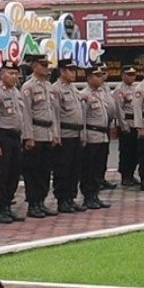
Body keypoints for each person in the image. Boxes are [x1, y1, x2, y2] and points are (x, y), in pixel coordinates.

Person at [0, 60, 30, 223]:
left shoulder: (16, 92)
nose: (14, 76)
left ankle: (8, 206)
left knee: (13, 174)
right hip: (2, 136)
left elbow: (21, 117)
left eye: (15, 73)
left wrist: (24, 136)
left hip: (15, 137)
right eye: (10, 73)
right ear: (2, 75)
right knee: (1, 175)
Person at [21, 56, 59, 218]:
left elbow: (53, 112)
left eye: (47, 65)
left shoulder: (49, 86)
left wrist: (55, 134)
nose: (47, 68)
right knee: (33, 171)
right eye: (43, 65)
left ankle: (41, 201)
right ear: (35, 66)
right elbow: (26, 113)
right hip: (35, 132)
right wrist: (28, 136)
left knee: (45, 171)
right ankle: (33, 203)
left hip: (48, 132)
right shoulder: (28, 87)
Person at [53, 59, 86, 212]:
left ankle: (71, 198)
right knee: (63, 169)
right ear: (62, 72)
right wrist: (56, 135)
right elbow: (55, 115)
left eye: (74, 70)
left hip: (77, 133)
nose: (74, 73)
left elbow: (80, 113)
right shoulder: (56, 89)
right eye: (70, 70)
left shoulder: (74, 89)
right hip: (64, 134)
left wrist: (83, 134)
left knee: (75, 169)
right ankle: (62, 199)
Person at [80, 67, 116, 210]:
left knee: (98, 168)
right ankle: (87, 197)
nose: (100, 78)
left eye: (101, 75)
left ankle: (95, 195)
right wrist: (83, 136)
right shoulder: (84, 95)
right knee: (88, 168)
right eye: (96, 75)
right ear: (89, 78)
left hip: (102, 134)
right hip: (91, 134)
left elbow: (111, 110)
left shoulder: (102, 93)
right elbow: (82, 118)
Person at [113, 66, 141, 186]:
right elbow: (119, 110)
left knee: (135, 151)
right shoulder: (119, 90)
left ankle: (131, 174)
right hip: (127, 123)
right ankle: (125, 176)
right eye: (128, 74)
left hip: (136, 123)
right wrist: (124, 126)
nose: (131, 77)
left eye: (133, 74)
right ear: (123, 75)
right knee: (126, 152)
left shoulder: (136, 88)